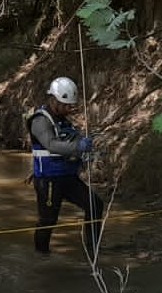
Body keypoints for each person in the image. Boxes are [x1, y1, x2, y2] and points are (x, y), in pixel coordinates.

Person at [27, 76, 104, 257]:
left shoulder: (64, 121)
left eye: (70, 105)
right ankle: (41, 255)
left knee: (94, 205)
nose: (69, 109)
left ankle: (93, 250)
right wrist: (78, 147)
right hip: (49, 181)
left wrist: (87, 149)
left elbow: (72, 143)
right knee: (48, 220)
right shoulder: (40, 121)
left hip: (68, 178)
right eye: (65, 105)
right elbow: (51, 144)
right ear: (54, 100)